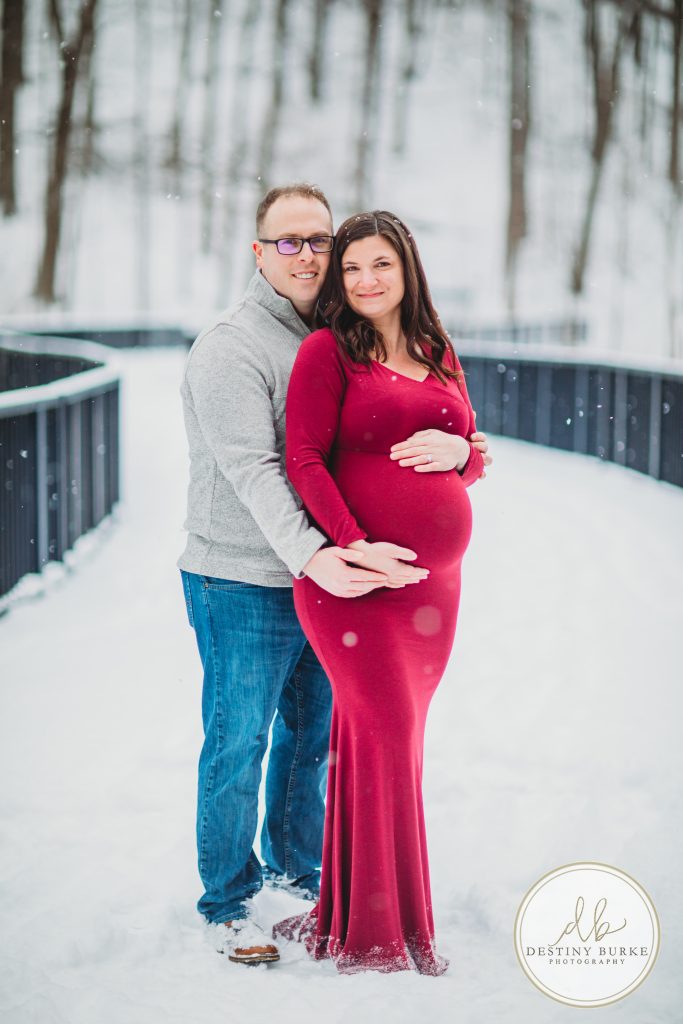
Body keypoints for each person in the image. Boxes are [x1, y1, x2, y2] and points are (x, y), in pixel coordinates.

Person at [177, 185, 432, 965]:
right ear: (258, 253)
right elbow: (256, 470)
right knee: (237, 741)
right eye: (287, 242)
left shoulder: (341, 335)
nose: (307, 256)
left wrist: (463, 453)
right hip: (240, 579)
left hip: (325, 581)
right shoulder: (230, 347)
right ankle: (226, 900)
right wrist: (319, 553)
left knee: (309, 735)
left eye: (318, 239)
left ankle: (293, 862)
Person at [273, 210, 492, 975]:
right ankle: (377, 938)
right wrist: (353, 545)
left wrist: (462, 450)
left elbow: (470, 457)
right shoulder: (327, 352)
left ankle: (354, 913)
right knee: (386, 738)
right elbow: (302, 460)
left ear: (406, 271)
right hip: (353, 586)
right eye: (353, 268)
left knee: (382, 747)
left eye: (381, 265)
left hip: (435, 594)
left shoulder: (436, 349)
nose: (366, 280)